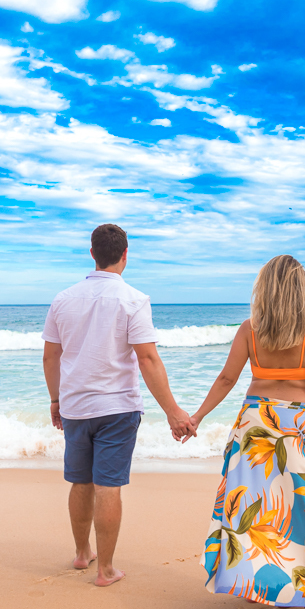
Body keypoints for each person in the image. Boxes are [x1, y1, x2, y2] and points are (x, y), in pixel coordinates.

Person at [190, 255, 305, 608]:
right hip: (299, 426)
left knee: (255, 508)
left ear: (265, 288)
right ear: (302, 289)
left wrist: (197, 416)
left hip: (255, 424)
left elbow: (227, 379)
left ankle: (254, 583)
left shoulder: (250, 329)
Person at [42, 224, 195, 587]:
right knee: (108, 486)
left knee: (81, 482)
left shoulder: (63, 299)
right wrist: (173, 411)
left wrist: (55, 399)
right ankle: (106, 570)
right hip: (117, 409)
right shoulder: (133, 299)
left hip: (75, 407)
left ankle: (83, 553)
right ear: (125, 255)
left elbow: (50, 356)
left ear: (92, 254)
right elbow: (148, 359)